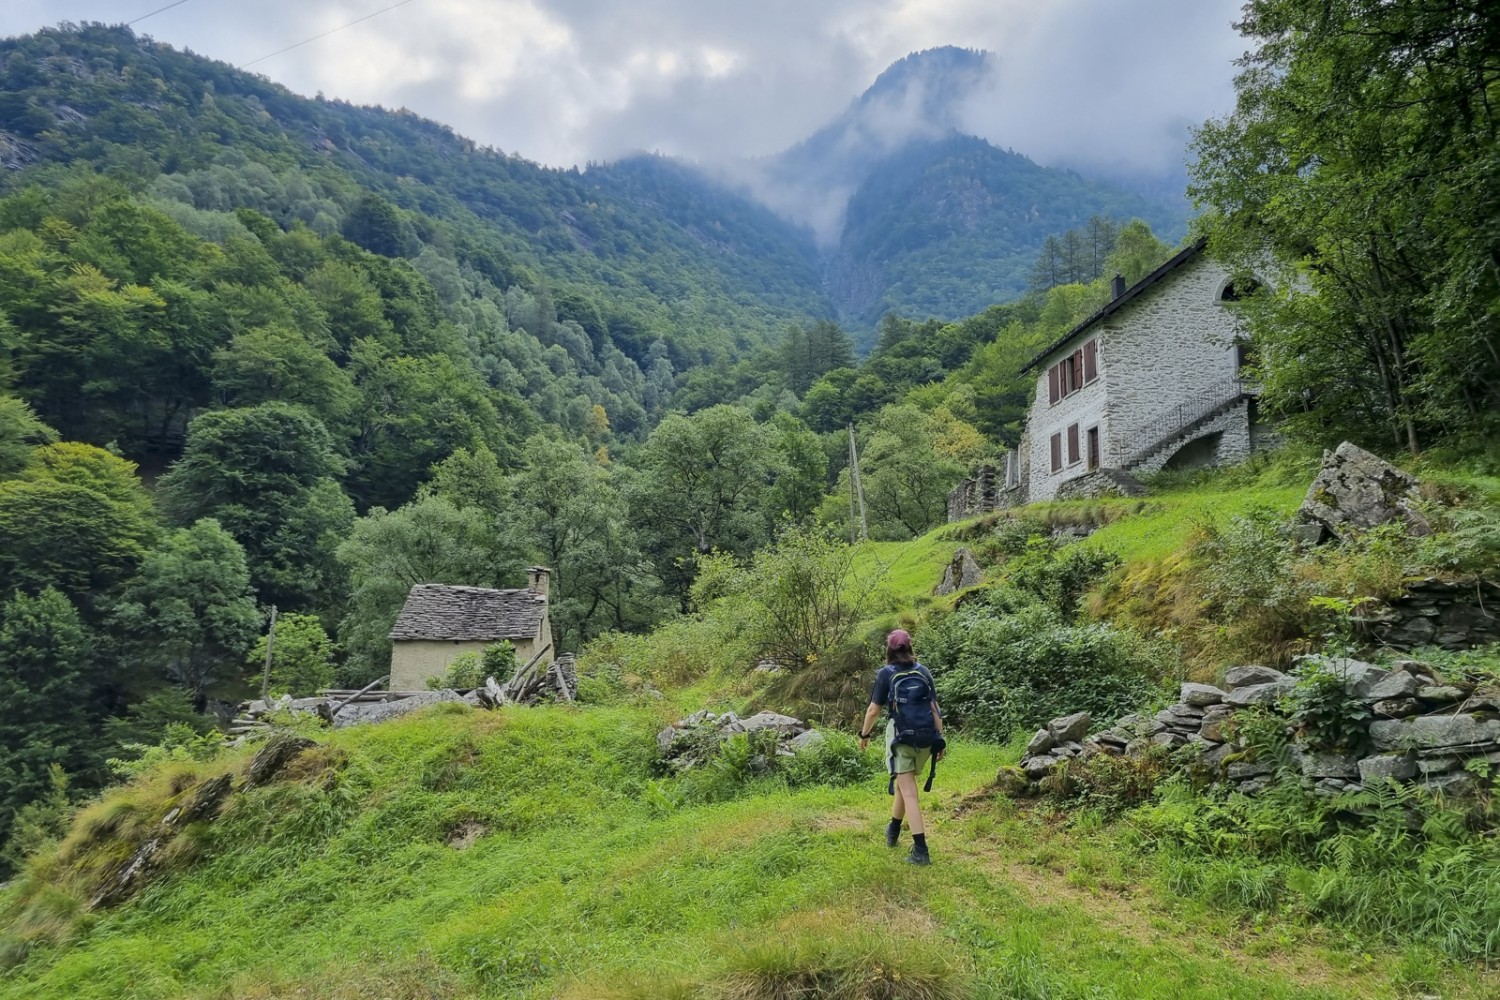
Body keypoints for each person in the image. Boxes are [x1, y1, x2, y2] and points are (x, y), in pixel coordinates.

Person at [859, 628, 945, 865]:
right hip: (927, 739)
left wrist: (864, 734)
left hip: (901, 739)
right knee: (902, 784)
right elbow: (934, 708)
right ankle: (893, 830)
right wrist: (940, 739)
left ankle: (921, 851)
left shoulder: (886, 673)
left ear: (889, 649)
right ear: (909, 647)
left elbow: (873, 710)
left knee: (909, 792)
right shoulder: (923, 671)